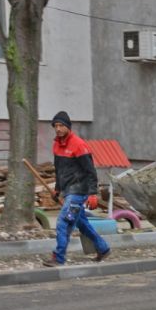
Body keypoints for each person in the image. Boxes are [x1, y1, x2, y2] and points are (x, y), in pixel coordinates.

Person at [44, 110, 110, 267]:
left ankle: (58, 257)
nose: (58, 128)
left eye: (61, 125)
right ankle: (103, 248)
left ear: (68, 127)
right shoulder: (56, 145)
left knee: (63, 223)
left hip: (78, 191)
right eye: (56, 126)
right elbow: (59, 170)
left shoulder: (79, 145)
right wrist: (58, 189)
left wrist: (93, 194)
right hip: (68, 191)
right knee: (82, 223)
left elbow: (90, 171)